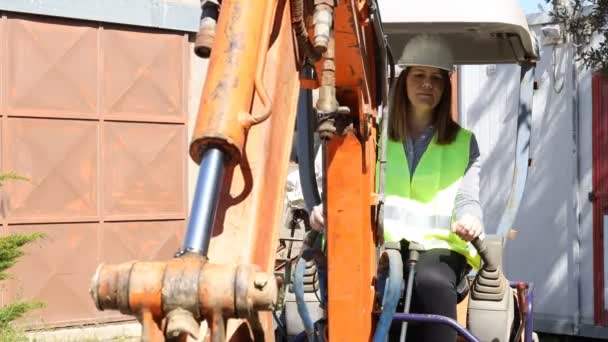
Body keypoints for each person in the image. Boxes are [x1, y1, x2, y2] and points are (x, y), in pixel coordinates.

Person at [308, 34, 485, 341]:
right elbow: (347, 184)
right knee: (358, 279)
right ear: (403, 81)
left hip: (439, 248)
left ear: (445, 87)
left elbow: (467, 196)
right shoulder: (371, 135)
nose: (427, 84)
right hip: (378, 244)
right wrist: (327, 209)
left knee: (430, 281)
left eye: (436, 78)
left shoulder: (463, 142)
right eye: (419, 75)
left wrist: (472, 219)